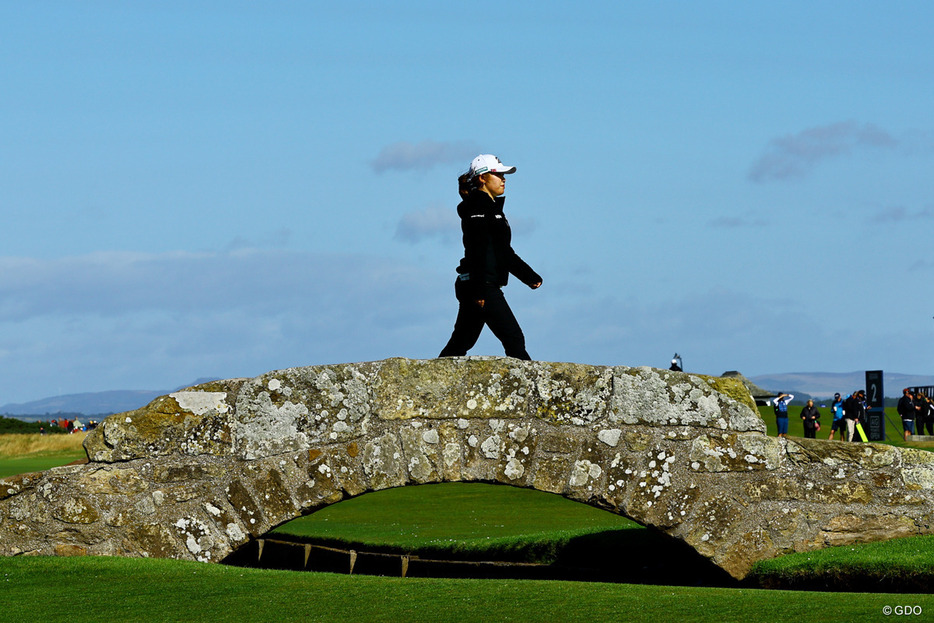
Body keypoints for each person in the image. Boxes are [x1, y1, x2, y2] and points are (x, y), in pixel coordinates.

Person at [439, 154, 542, 360]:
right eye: (498, 174)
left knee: (461, 341)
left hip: (476, 284)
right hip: (480, 285)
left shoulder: (491, 209)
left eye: (504, 175)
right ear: (482, 178)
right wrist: (479, 291)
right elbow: (476, 249)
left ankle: (429, 386)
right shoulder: (478, 208)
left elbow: (503, 251)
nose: (504, 179)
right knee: (513, 338)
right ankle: (530, 391)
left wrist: (529, 277)